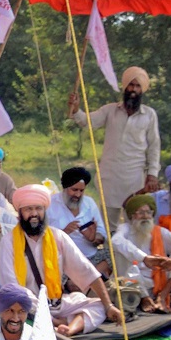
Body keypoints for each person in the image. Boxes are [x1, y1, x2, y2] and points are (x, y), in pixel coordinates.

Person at [0, 185, 124, 336]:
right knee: (18, 300)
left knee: (99, 306)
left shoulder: (58, 237)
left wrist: (109, 305)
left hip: (56, 303)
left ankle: (69, 329)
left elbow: (87, 271)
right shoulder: (9, 241)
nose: (34, 214)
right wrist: (38, 307)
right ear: (20, 213)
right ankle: (59, 322)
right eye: (28, 209)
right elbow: (11, 286)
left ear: (45, 211)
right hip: (28, 306)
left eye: (38, 208)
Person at [69, 66, 161, 225]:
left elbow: (154, 146)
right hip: (110, 177)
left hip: (135, 180)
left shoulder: (149, 115)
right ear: (125, 87)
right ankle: (107, 250)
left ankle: (129, 250)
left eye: (138, 86)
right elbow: (87, 122)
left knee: (134, 222)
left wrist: (152, 174)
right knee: (107, 224)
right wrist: (76, 110)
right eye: (131, 85)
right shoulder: (111, 110)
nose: (133, 89)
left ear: (142, 90)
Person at [111, 194, 171, 313]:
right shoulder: (125, 228)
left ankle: (162, 297)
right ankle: (144, 298)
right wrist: (144, 258)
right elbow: (115, 241)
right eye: (141, 212)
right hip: (133, 284)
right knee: (123, 255)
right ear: (132, 215)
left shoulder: (158, 231)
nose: (145, 216)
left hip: (157, 281)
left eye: (148, 212)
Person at [46, 167, 110, 276]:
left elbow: (102, 233)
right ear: (65, 188)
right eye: (74, 190)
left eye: (81, 190)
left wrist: (94, 238)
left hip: (90, 257)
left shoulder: (89, 203)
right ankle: (87, 281)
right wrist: (64, 232)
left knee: (113, 255)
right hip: (64, 261)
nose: (78, 195)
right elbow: (42, 238)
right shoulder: (50, 204)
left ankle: (83, 281)